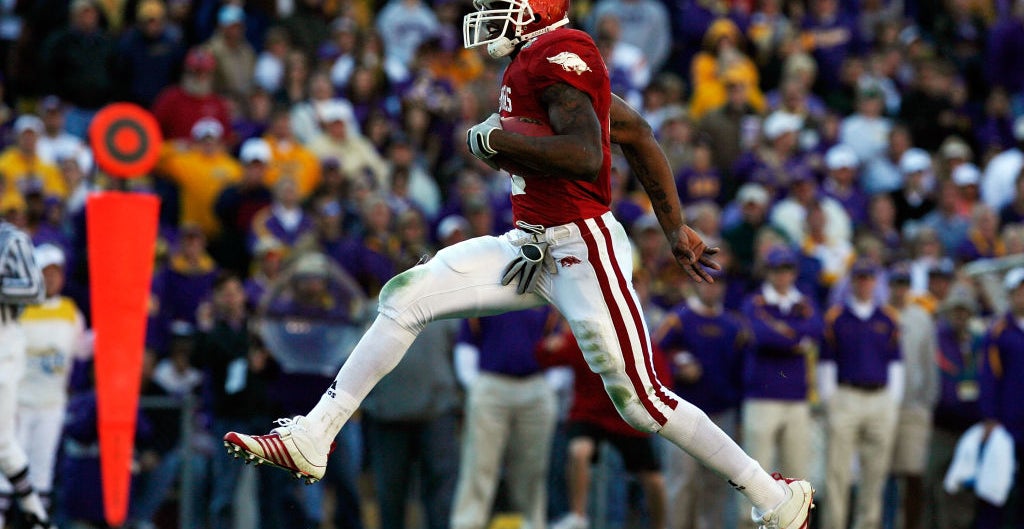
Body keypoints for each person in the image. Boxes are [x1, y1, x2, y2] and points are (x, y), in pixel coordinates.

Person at [225, 4, 814, 529]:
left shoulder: (559, 53)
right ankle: (313, 435)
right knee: (407, 295)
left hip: (582, 248)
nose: (486, 10)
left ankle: (772, 495)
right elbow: (634, 132)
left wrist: (498, 144)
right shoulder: (543, 54)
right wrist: (672, 224)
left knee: (642, 401)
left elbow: (586, 155)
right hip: (532, 243)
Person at [0, 221, 53, 529]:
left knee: (2, 440)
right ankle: (38, 517)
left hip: (4, 345)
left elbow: (35, 289)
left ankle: (38, 517)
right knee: (4, 442)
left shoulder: (10, 239)